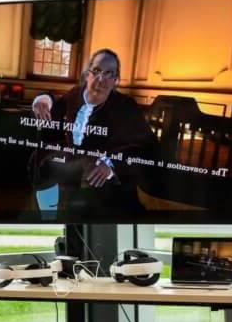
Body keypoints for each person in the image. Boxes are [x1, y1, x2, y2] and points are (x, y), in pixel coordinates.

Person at [30, 48, 158, 220]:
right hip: (74, 159)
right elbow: (54, 106)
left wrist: (110, 163)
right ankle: (48, 215)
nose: (101, 79)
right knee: (40, 160)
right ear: (86, 74)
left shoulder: (126, 106)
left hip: (104, 167)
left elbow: (145, 144)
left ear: (115, 80)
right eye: (96, 71)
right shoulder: (75, 94)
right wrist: (42, 100)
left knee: (95, 192)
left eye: (109, 74)